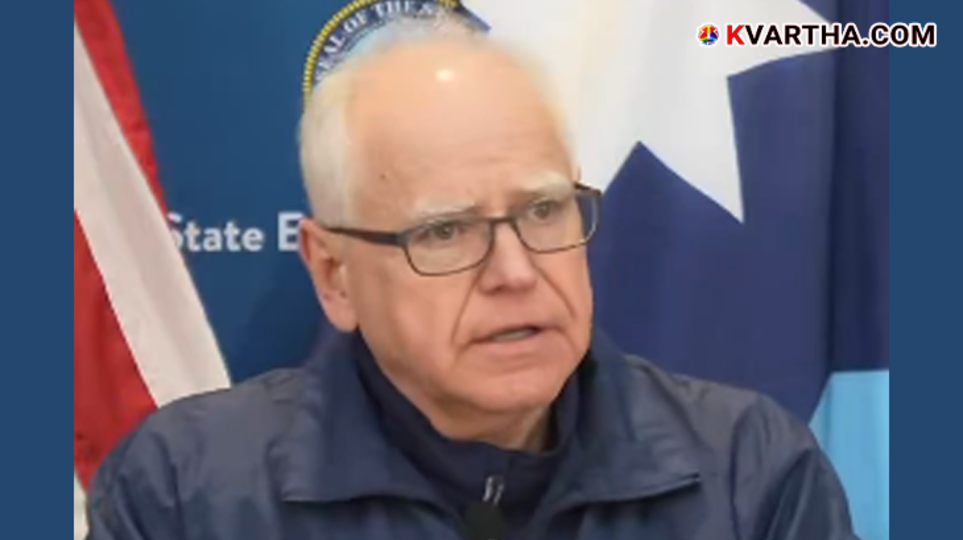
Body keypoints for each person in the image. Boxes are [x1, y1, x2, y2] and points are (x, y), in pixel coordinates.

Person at [84, 10, 860, 540]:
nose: (517, 272)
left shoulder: (750, 474)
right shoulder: (185, 493)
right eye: (445, 229)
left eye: (544, 211)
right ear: (335, 274)